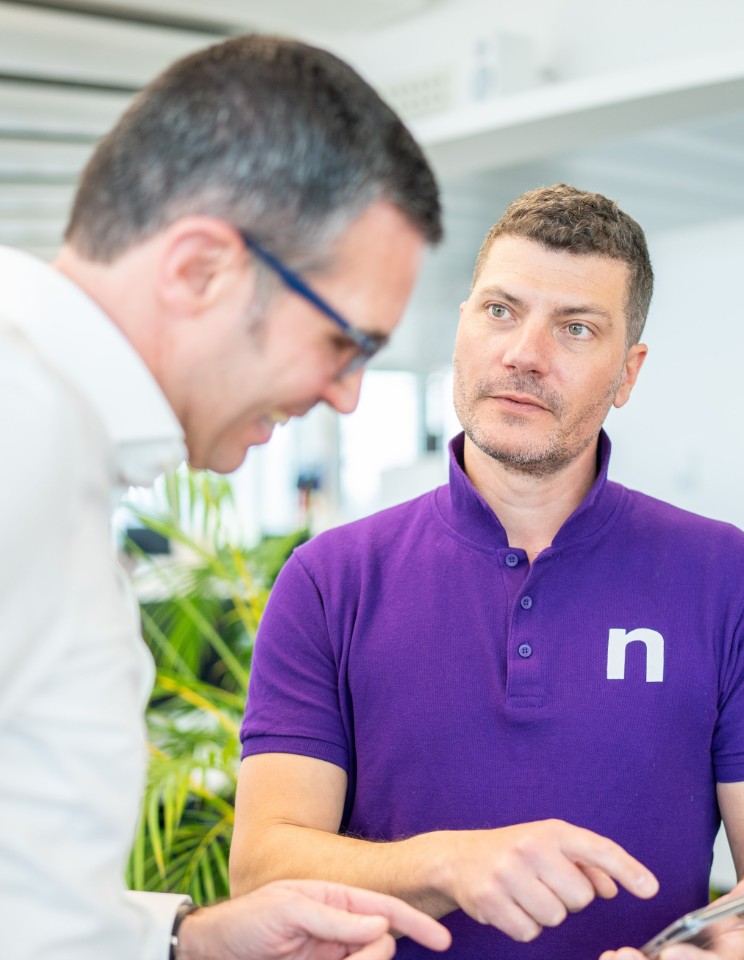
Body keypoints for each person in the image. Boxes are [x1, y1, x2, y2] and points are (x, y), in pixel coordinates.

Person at [229, 183, 744, 960]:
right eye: (500, 311)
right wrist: (448, 864)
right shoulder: (328, 581)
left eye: (575, 328)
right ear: (463, 327)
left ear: (628, 373)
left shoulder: (732, 581)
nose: (523, 354)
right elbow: (263, 864)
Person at [0, 34, 455, 960]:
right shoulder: (22, 427)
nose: (347, 397)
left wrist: (185, 941)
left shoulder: (56, 434)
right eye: (344, 343)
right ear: (200, 269)